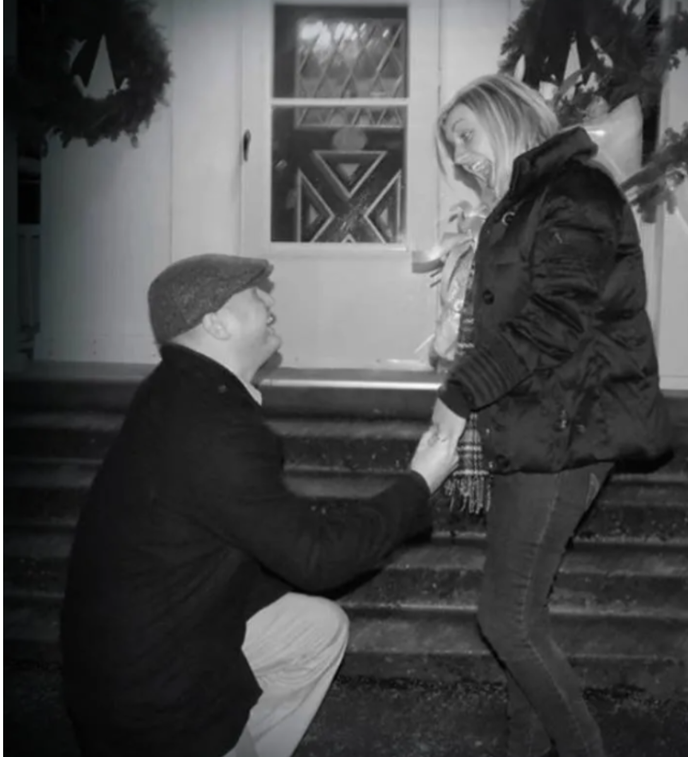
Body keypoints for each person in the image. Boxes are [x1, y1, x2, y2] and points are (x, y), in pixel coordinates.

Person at [60, 253, 460, 757]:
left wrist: (317, 537)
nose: (270, 301)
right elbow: (316, 559)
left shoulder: (183, 391)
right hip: (151, 693)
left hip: (139, 642)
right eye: (253, 292)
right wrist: (420, 482)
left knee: (316, 630)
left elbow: (269, 535)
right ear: (215, 322)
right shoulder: (211, 426)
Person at [430, 74, 671, 757]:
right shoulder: (528, 201)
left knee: (504, 618)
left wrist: (459, 393)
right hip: (536, 427)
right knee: (521, 616)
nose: (459, 155)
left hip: (564, 431)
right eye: (451, 146)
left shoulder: (575, 193)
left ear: (508, 119)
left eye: (466, 136)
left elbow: (554, 322)